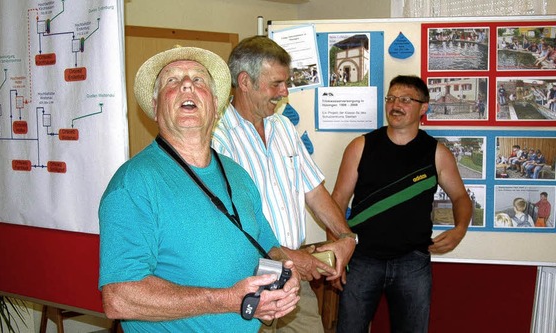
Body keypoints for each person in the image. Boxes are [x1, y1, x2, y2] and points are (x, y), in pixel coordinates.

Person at [98, 46, 301, 333]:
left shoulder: (237, 174)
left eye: (198, 80)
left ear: (216, 105)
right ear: (155, 107)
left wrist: (286, 272)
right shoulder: (133, 184)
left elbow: (269, 247)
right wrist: (228, 299)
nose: (186, 85)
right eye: (172, 81)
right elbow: (120, 298)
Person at [212, 36, 356, 332]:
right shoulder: (216, 136)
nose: (285, 91)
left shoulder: (284, 127)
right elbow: (225, 224)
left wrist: (345, 237)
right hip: (244, 277)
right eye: (276, 83)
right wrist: (292, 258)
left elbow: (315, 192)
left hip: (293, 280)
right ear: (245, 81)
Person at [332, 75, 473, 332]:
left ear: (423, 108)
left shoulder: (437, 153)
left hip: (413, 261)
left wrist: (460, 229)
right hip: (361, 258)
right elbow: (337, 201)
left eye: (406, 99)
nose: (396, 105)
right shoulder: (360, 146)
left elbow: (461, 197)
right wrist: (336, 254)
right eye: (391, 98)